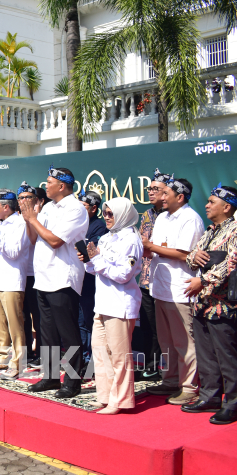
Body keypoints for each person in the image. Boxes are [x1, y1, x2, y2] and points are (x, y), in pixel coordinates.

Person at [20, 165, 89, 398]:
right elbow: (34, 237)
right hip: (43, 277)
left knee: (68, 332)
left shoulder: (76, 208)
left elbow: (56, 240)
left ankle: (72, 381)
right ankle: (50, 377)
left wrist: (33, 218)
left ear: (62, 186)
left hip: (62, 277)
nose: (45, 185)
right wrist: (28, 219)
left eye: (49, 182)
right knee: (47, 332)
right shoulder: (48, 207)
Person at [181, 185, 237, 424]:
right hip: (202, 303)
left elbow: (231, 265)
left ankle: (232, 403)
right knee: (205, 354)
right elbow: (191, 256)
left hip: (223, 305)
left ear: (226, 207)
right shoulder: (209, 232)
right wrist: (193, 257)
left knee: (226, 355)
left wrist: (203, 279)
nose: (206, 205)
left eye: (211, 201)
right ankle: (210, 396)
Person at [78, 197, 143, 415]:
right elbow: (94, 269)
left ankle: (121, 400)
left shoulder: (131, 240)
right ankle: (105, 396)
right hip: (103, 302)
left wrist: (96, 261)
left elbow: (124, 274)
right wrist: (87, 259)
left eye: (110, 213)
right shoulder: (106, 238)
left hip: (121, 304)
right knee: (100, 352)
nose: (106, 217)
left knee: (119, 356)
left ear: (123, 214)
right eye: (105, 213)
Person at [143, 177, 205, 405]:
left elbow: (184, 254)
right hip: (160, 288)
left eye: (166, 193)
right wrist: (148, 250)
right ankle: (170, 380)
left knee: (184, 342)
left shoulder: (190, 219)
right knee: (166, 341)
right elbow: (160, 250)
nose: (161, 196)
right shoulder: (161, 218)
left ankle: (189, 386)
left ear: (180, 197)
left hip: (181, 289)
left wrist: (151, 247)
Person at [0, 189, 30, 381]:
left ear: (6, 207)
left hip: (11, 281)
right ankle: (2, 357)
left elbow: (14, 252)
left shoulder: (19, 223)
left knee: (15, 324)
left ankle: (18, 363)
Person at [136, 169, 170, 380]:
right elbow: (142, 241)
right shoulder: (147, 214)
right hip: (145, 276)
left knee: (161, 327)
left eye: (155, 189)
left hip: (164, 277)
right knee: (147, 324)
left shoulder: (170, 216)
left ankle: (162, 366)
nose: (150, 192)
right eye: (149, 189)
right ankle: (149, 364)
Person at [78, 190, 108, 364]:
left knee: (90, 320)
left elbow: (89, 252)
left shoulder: (99, 226)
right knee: (79, 320)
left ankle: (91, 357)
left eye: (84, 207)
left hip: (91, 281)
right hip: (77, 280)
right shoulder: (77, 223)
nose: (80, 211)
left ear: (94, 208)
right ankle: (81, 356)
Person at [17, 182, 45, 367]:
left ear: (37, 200)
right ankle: (26, 351)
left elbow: (33, 241)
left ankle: (43, 353)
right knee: (23, 315)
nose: (24, 201)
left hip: (38, 272)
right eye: (21, 198)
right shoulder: (13, 218)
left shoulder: (41, 217)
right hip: (21, 273)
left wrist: (31, 219)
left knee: (40, 316)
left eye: (28, 197)